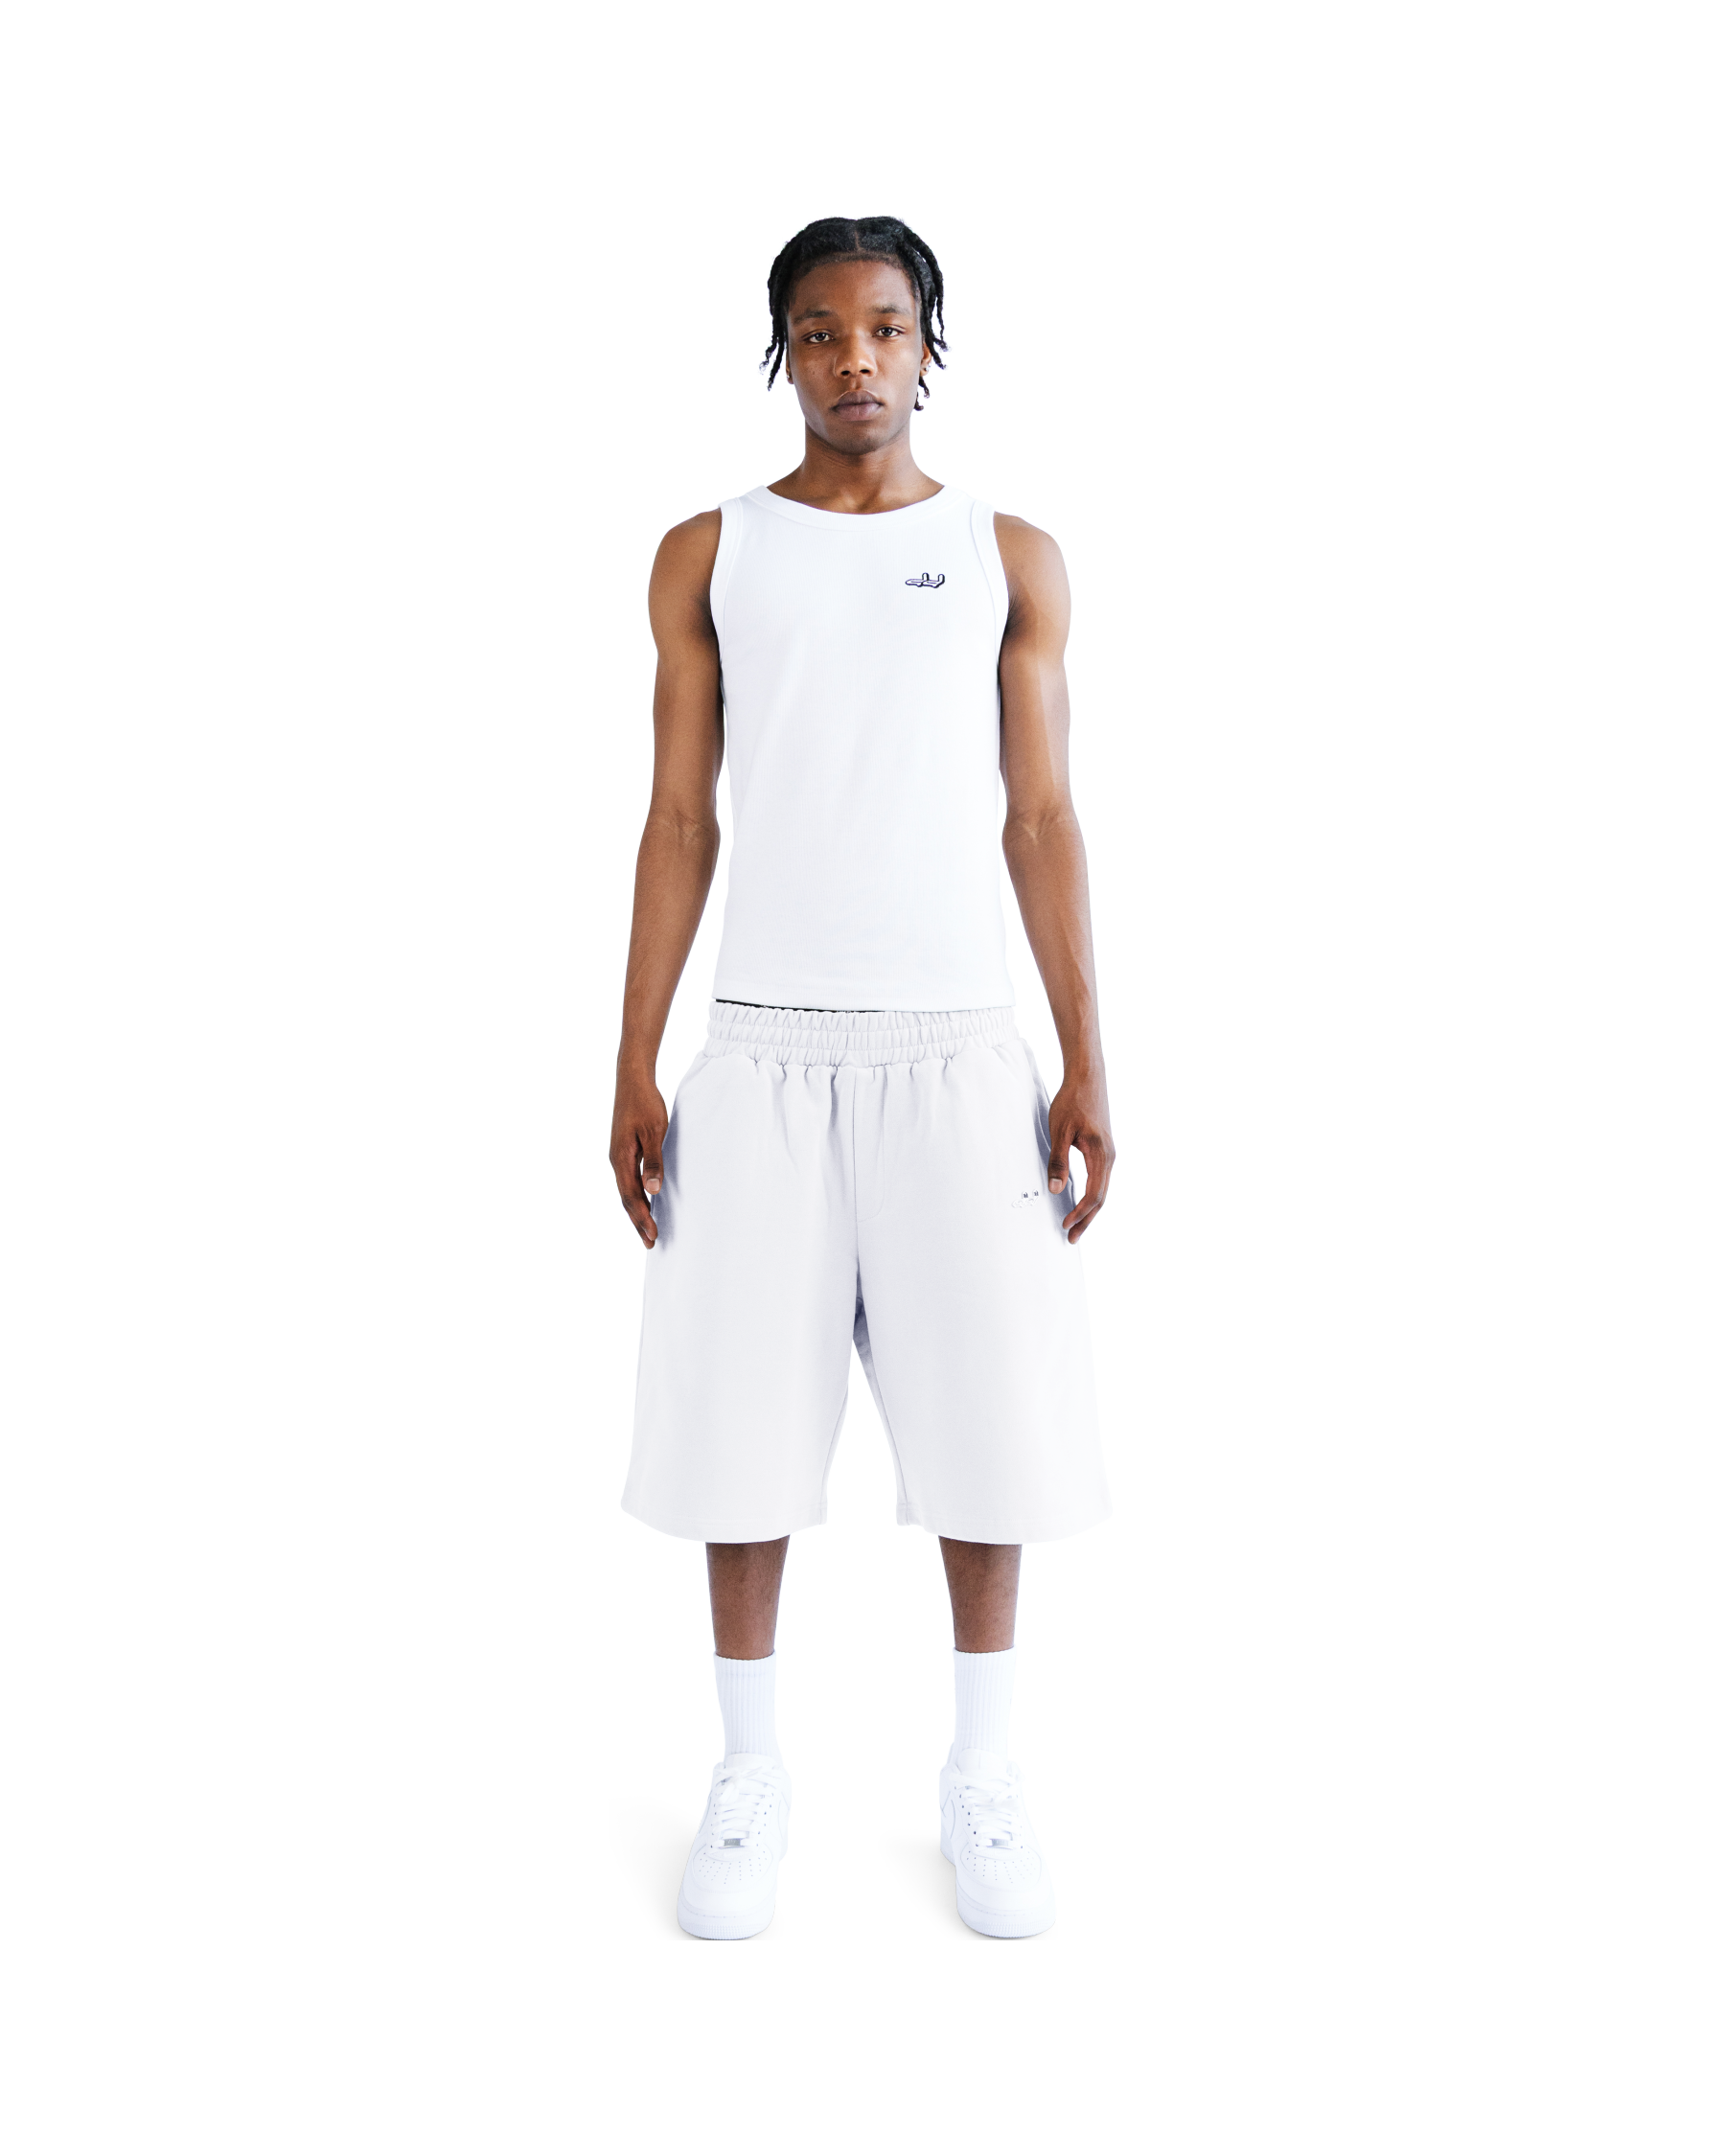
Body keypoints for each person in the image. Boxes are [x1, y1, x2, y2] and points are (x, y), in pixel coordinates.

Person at [610, 216, 1115, 1939]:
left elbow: (1039, 818)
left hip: (958, 1047)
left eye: (886, 328)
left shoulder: (1005, 554)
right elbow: (680, 817)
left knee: (994, 1427)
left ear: (930, 347)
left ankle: (989, 1770)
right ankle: (745, 1784)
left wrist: (1083, 1055)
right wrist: (637, 1058)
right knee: (735, 1431)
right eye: (818, 332)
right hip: (760, 1046)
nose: (854, 360)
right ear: (781, 354)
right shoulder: (709, 553)